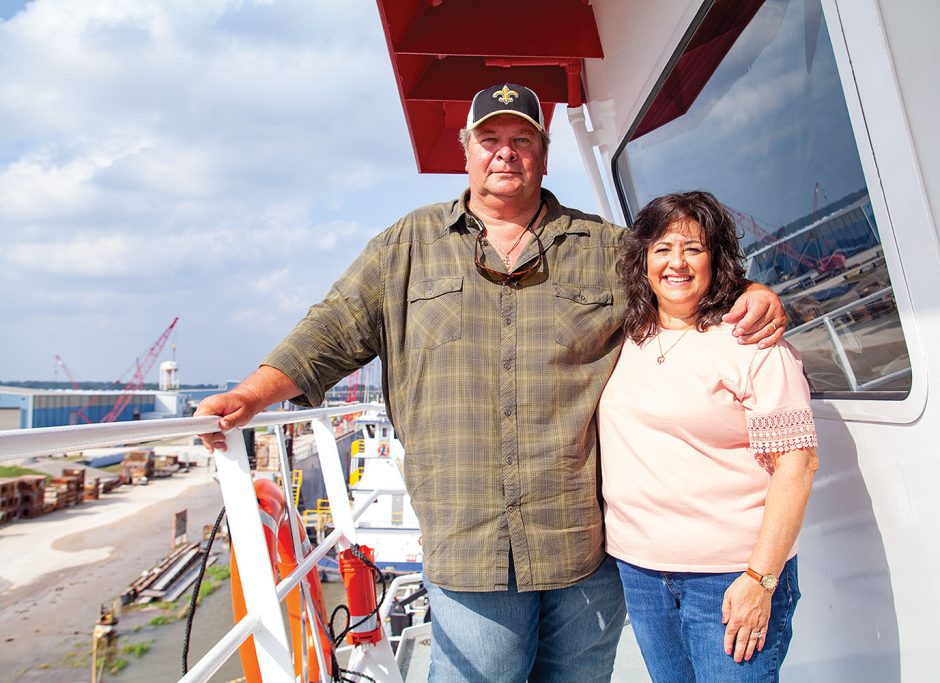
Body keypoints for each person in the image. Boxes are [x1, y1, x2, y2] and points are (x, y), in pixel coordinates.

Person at [196, 85, 787, 682]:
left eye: (522, 139)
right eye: (491, 139)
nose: (506, 152)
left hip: (583, 540)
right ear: (467, 150)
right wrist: (250, 395)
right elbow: (330, 330)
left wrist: (754, 294)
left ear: (544, 154)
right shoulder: (406, 245)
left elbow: (682, 287)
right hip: (468, 541)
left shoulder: (607, 249)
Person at [598, 191, 818, 683]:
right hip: (641, 573)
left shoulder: (752, 343)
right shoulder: (625, 335)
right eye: (663, 248)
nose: (677, 263)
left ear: (716, 260)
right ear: (643, 260)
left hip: (730, 578)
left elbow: (797, 466)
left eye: (694, 249)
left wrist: (760, 580)